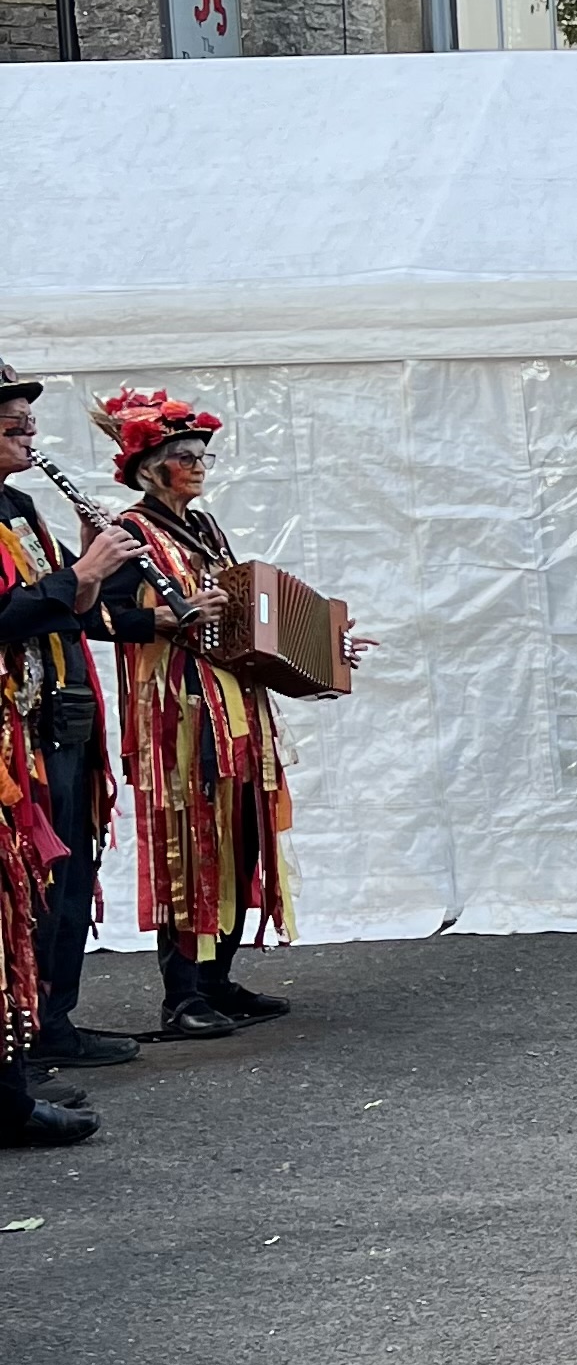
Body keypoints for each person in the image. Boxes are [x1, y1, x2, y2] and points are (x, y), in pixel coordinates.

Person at [90, 390, 292, 1038]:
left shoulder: (205, 529)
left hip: (234, 703)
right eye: (185, 456)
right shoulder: (126, 532)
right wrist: (163, 617)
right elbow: (93, 616)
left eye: (202, 454)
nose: (200, 465)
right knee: (190, 841)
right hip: (178, 710)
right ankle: (181, 996)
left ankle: (216, 979)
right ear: (150, 467)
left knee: (241, 835)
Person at [0, 367, 156, 1094]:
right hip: (11, 735)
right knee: (22, 887)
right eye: (10, 416)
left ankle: (52, 1022)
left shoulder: (21, 505)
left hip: (60, 713)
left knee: (68, 875)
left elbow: (70, 607)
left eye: (27, 416)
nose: (26, 425)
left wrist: (91, 565)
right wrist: (80, 573)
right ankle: (16, 1049)